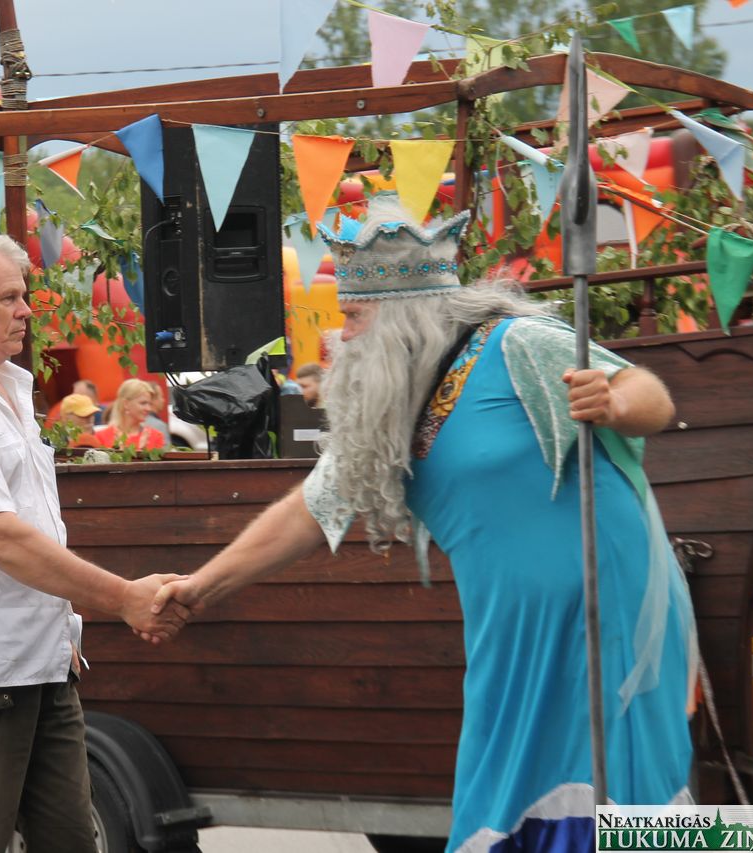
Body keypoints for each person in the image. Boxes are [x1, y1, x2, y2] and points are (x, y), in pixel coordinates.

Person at [152, 193, 695, 852]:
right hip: (509, 635)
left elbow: (649, 394)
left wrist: (612, 402)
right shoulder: (394, 406)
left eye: (354, 316)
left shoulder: (516, 343)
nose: (343, 336)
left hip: (604, 617)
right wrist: (200, 587)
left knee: (618, 798)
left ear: (404, 314)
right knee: (507, 802)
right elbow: (307, 511)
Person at [0, 231, 188, 852]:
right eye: (9, 297)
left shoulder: (9, 389)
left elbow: (29, 527)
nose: (26, 310)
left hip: (39, 665)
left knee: (72, 841)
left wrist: (60, 627)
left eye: (24, 296)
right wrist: (124, 598)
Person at [94, 378, 166, 451]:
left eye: (149, 404)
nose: (148, 408)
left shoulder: (155, 436)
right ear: (126, 404)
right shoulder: (101, 437)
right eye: (143, 403)